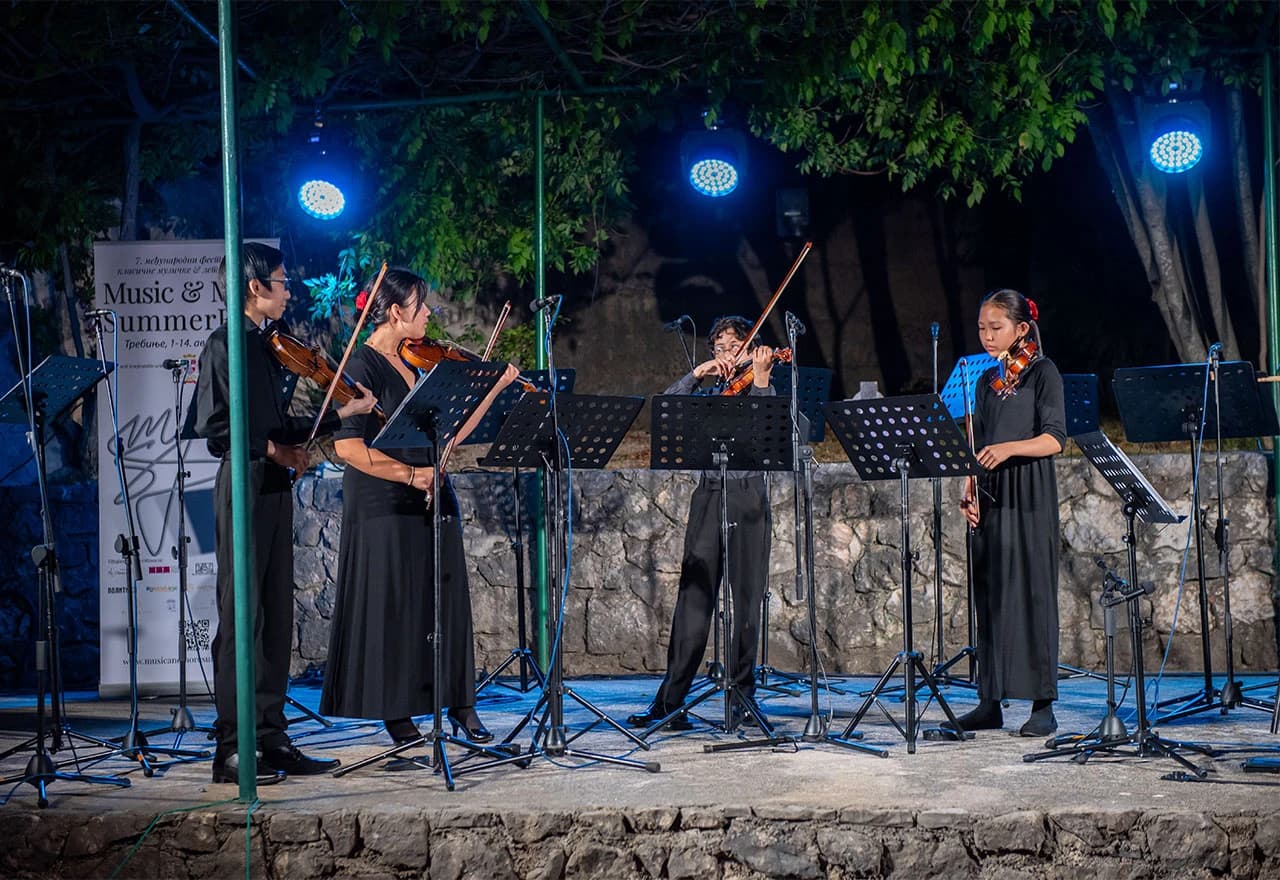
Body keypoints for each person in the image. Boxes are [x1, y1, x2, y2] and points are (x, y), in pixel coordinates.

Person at [190, 242, 378, 784]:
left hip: (273, 485)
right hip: (244, 484)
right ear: (254, 288)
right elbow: (218, 430)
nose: (288, 289)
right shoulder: (225, 344)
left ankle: (271, 736)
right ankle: (232, 747)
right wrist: (276, 450)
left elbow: (281, 427)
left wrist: (339, 413)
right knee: (243, 616)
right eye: (281, 280)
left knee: (274, 615)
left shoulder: (268, 347)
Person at [320, 268, 518, 746]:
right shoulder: (362, 366)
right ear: (394, 312)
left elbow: (452, 435)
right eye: (420, 305)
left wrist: (492, 384)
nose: (429, 313)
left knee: (446, 600)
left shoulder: (423, 366)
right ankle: (398, 712)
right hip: (384, 498)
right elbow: (348, 448)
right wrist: (412, 475)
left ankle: (460, 705)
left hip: (433, 491)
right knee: (397, 607)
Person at [627, 316, 776, 731]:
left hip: (749, 499)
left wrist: (761, 379)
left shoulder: (764, 386)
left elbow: (770, 439)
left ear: (751, 348)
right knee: (693, 601)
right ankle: (670, 703)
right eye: (719, 346)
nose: (727, 352)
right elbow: (667, 412)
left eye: (735, 344)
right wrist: (696, 374)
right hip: (709, 496)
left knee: (747, 603)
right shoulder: (710, 391)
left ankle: (743, 697)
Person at [954, 288, 1066, 737]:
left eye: (995, 328)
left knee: (1034, 593)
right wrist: (969, 487)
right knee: (990, 593)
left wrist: (1008, 449)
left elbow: (1055, 438)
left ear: (1021, 328)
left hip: (1030, 492)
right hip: (992, 490)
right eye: (981, 328)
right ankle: (990, 699)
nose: (986, 336)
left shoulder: (1043, 372)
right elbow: (977, 443)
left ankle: (1043, 704)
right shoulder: (985, 381)